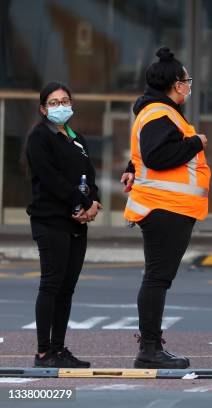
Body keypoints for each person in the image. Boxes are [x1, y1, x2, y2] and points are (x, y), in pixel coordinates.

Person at [123, 47, 210, 369]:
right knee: (157, 279)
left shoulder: (156, 111)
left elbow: (144, 153)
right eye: (187, 80)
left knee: (157, 278)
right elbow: (158, 156)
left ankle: (151, 346)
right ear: (176, 83)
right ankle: (149, 349)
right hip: (165, 208)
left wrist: (130, 167)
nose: (189, 85)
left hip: (166, 207)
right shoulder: (161, 113)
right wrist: (195, 143)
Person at [26, 82, 101, 368]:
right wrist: (78, 204)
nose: (61, 106)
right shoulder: (39, 137)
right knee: (51, 284)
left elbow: (89, 177)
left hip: (77, 222)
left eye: (65, 100)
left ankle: (59, 348)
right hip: (51, 220)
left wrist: (93, 202)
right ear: (43, 109)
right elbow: (50, 178)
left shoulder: (76, 138)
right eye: (54, 102)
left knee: (67, 288)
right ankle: (44, 351)